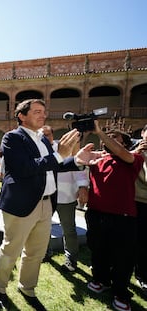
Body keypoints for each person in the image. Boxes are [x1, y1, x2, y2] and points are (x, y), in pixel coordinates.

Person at [0, 99, 97, 311]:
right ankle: (0, 288)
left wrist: (77, 160)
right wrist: (60, 154)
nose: (43, 115)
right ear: (22, 116)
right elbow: (25, 169)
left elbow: (52, 166)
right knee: (11, 249)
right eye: (37, 111)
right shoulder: (12, 137)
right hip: (22, 204)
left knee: (36, 252)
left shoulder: (43, 140)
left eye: (44, 111)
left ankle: (27, 288)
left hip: (47, 203)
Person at [85, 121, 144, 311]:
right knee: (98, 249)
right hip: (95, 213)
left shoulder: (133, 158)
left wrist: (100, 133)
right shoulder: (98, 159)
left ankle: (121, 293)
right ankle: (101, 280)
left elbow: (120, 152)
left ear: (125, 143)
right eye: (106, 138)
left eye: (114, 138)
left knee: (123, 257)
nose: (107, 141)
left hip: (123, 217)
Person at [41, 125, 89, 272]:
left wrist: (82, 187)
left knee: (68, 229)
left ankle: (71, 259)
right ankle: (44, 253)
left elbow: (78, 167)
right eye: (42, 135)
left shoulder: (65, 148)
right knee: (43, 228)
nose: (45, 138)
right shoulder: (38, 150)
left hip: (65, 195)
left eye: (48, 135)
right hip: (46, 196)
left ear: (52, 135)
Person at [132, 125, 147, 298]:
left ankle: (142, 274)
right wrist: (137, 151)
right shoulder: (133, 149)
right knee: (133, 239)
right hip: (136, 201)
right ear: (142, 133)